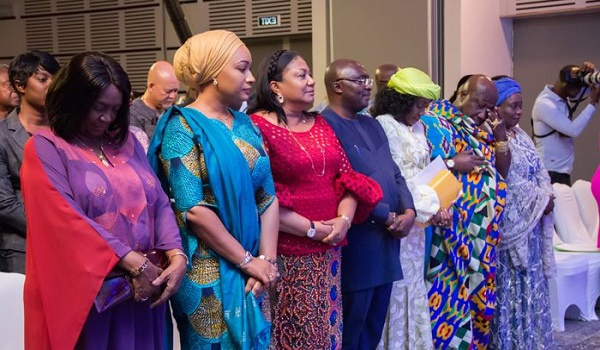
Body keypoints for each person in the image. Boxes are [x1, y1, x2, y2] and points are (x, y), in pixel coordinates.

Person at [20, 51, 186, 349]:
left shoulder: (127, 142)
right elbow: (64, 220)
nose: (107, 118)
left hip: (143, 290)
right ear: (73, 99)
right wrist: (133, 263)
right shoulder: (46, 147)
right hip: (92, 294)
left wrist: (176, 254)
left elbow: (158, 200)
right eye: (98, 107)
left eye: (115, 108)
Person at [147, 30, 280, 349]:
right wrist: (247, 261)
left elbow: (268, 198)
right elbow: (193, 210)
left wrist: (267, 261)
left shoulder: (246, 123)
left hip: (254, 266)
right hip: (206, 268)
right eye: (242, 68)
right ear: (214, 73)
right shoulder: (181, 126)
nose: (250, 78)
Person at [247, 50, 382, 350]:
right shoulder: (256, 128)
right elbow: (262, 199)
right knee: (293, 338)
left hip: (329, 255)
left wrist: (344, 220)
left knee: (328, 336)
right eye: (301, 75)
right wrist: (313, 229)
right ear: (275, 87)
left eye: (309, 74)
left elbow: (347, 179)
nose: (311, 82)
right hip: (287, 257)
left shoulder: (320, 123)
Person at [320, 59, 416, 349]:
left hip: (388, 242)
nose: (368, 86)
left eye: (367, 80)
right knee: (352, 330)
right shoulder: (325, 126)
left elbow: (394, 171)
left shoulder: (371, 123)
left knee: (374, 328)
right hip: (359, 244)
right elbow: (342, 184)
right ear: (338, 86)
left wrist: (409, 210)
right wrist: (387, 215)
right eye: (360, 81)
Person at [421, 74, 508, 349]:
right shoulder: (434, 122)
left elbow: (500, 174)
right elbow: (421, 172)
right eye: (481, 106)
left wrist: (500, 138)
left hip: (481, 239)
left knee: (476, 312)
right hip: (448, 237)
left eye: (490, 109)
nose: (484, 114)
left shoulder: (479, 129)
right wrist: (452, 162)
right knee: (450, 307)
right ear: (461, 95)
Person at [373, 67, 452, 350]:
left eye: (427, 105)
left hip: (420, 224)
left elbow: (427, 171)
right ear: (401, 101)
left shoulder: (417, 127)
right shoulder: (383, 126)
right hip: (400, 217)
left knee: (414, 282)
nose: (423, 111)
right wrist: (432, 207)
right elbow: (397, 178)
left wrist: (442, 203)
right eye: (420, 105)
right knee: (396, 287)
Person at [489, 76, 556, 349]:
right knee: (509, 291)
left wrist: (546, 193)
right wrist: (542, 198)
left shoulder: (522, 135)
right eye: (512, 106)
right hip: (511, 230)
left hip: (532, 229)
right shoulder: (491, 135)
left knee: (530, 289)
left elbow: (540, 171)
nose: (518, 112)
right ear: (495, 107)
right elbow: (509, 182)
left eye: (521, 106)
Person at [0, 51, 59, 274]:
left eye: (55, 78)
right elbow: (4, 203)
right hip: (21, 246)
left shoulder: (66, 132)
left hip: (71, 243)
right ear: (20, 85)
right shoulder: (3, 135)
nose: (52, 85)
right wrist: (56, 225)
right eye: (43, 79)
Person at [532, 62, 600, 185]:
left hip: (561, 171)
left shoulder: (563, 96)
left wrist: (593, 74)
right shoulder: (545, 104)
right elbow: (573, 130)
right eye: (576, 87)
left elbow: (593, 88)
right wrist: (592, 103)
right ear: (564, 83)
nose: (578, 90)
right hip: (549, 172)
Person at [130, 61, 179, 141]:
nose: (173, 96)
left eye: (176, 91)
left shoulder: (173, 111)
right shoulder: (133, 114)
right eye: (168, 91)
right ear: (151, 87)